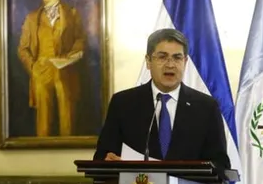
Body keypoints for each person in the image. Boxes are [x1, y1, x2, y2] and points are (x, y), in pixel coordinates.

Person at [93, 28, 230, 168]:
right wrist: (110, 162)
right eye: (162, 57)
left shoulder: (206, 107)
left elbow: (221, 164)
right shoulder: (123, 103)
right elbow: (102, 158)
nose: (170, 65)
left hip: (188, 183)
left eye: (177, 58)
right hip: (139, 183)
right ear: (148, 61)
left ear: (185, 62)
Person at [18, 0, 85, 137]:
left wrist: (71, 57)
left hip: (65, 71)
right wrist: (33, 68)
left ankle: (68, 149)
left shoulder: (72, 14)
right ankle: (42, 150)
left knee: (67, 118)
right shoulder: (32, 18)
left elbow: (80, 40)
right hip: (41, 72)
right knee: (43, 121)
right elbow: (22, 49)